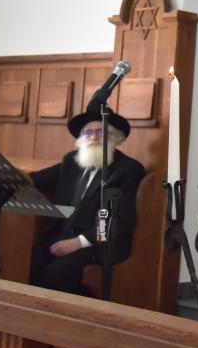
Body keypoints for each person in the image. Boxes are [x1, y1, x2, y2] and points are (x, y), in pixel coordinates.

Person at [29, 111, 145, 295]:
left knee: (57, 273)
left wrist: (80, 242)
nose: (93, 137)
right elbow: (41, 178)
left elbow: (119, 219)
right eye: (88, 133)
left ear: (117, 139)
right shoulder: (72, 161)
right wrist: (9, 178)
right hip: (62, 236)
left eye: (101, 132)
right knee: (25, 261)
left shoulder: (128, 170)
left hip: (99, 244)